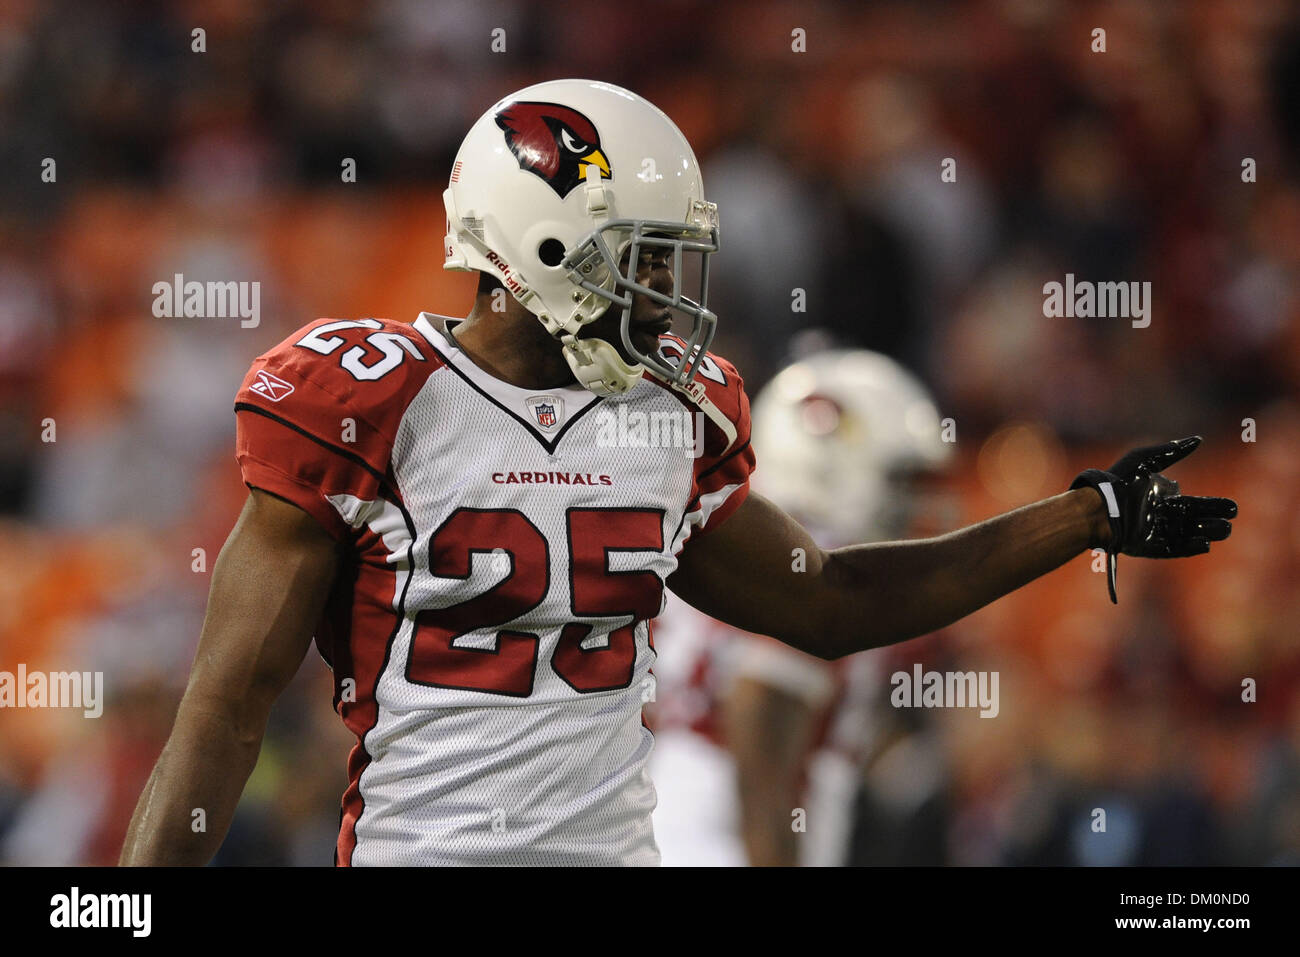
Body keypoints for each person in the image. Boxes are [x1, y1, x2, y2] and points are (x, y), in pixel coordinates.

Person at [119, 79, 1237, 867]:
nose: (665, 294)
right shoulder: (367, 400)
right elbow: (222, 714)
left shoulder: (668, 415)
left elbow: (837, 602)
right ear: (536, 245)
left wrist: (1081, 516)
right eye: (640, 260)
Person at [649, 348, 952, 866]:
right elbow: (760, 710)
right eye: (900, 482)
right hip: (727, 846)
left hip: (678, 829)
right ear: (831, 462)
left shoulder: (741, 531)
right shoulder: (810, 559)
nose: (912, 504)